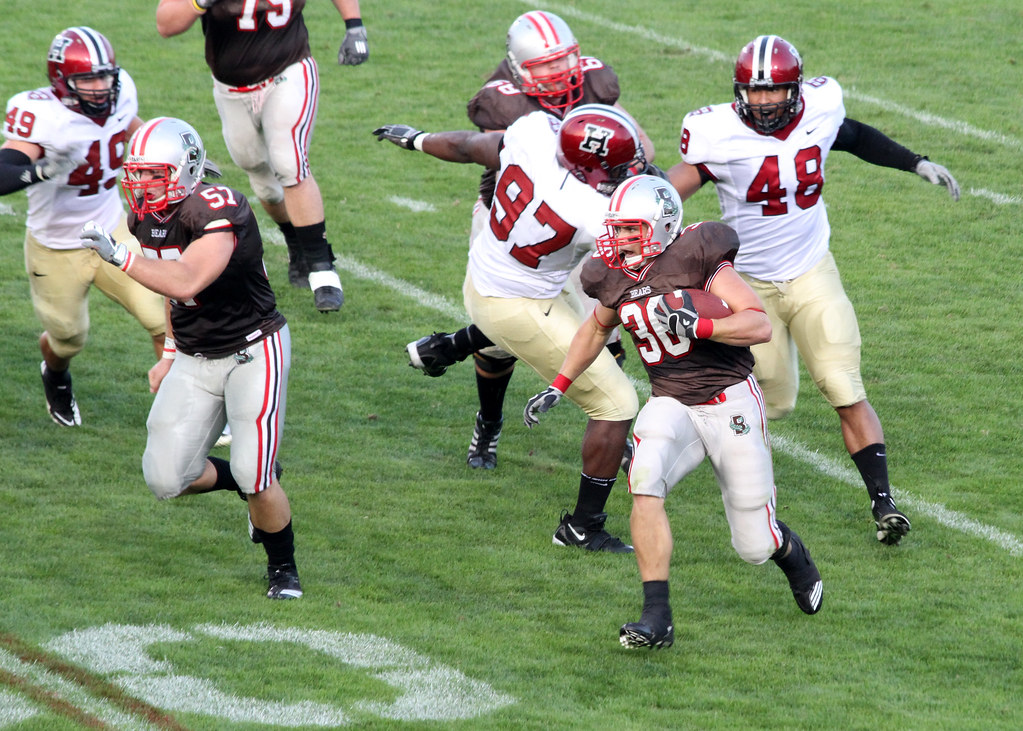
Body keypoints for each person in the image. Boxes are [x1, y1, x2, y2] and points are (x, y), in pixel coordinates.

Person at [668, 35, 960, 546]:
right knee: (772, 400)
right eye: (753, 93)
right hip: (748, 284)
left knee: (843, 383)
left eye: (773, 92)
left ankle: (883, 503)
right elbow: (680, 182)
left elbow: (851, 136)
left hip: (810, 271)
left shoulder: (821, 108)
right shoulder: (714, 132)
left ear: (796, 89)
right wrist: (640, 200)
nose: (762, 103)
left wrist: (914, 161)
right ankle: (660, 444)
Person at [525, 175, 823, 649]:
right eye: (616, 230)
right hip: (670, 400)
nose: (618, 241)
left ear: (661, 227)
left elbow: (758, 324)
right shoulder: (612, 272)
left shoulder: (699, 254)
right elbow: (596, 328)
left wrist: (702, 325)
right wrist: (558, 385)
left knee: (753, 545)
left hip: (729, 401)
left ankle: (791, 555)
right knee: (644, 481)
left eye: (629, 230)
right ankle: (655, 617)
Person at [374, 104, 654, 552]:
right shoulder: (593, 210)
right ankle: (583, 527)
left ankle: (450, 345)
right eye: (616, 169)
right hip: (517, 301)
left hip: (489, 269)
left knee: (549, 329)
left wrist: (418, 138)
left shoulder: (535, 132)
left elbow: (470, 145)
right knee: (616, 402)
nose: (626, 174)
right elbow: (620, 276)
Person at [403, 10, 655, 471]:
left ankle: (613, 435)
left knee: (605, 325)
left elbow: (640, 145)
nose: (558, 73)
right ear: (518, 69)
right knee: (502, 340)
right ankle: (489, 420)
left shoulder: (596, 85)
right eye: (543, 66)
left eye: (564, 61)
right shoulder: (503, 104)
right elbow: (477, 149)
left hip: (581, 223)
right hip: (519, 221)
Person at [80, 117, 302, 600]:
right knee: (166, 478)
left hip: (253, 350)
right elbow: (168, 286)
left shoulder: (218, 207)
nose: (140, 185)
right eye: (136, 174)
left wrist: (120, 257)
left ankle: (282, 565)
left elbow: (187, 281)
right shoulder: (146, 216)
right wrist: (170, 351)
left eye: (153, 174)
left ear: (186, 169)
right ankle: (248, 481)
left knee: (255, 473)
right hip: (196, 355)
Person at [155, 0, 371, 313]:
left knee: (290, 163)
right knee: (259, 175)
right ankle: (295, 243)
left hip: (288, 70)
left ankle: (322, 268)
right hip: (231, 87)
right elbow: (166, 24)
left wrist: (354, 25)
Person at [0, 26, 166, 427]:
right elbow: (4, 171)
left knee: (162, 316)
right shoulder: (40, 113)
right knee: (68, 338)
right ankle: (55, 374)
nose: (101, 86)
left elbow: (129, 125)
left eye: (105, 75)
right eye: (88, 78)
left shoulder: (121, 89)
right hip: (55, 247)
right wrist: (39, 170)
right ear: (62, 81)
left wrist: (164, 155)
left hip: (112, 229)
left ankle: (191, 410)